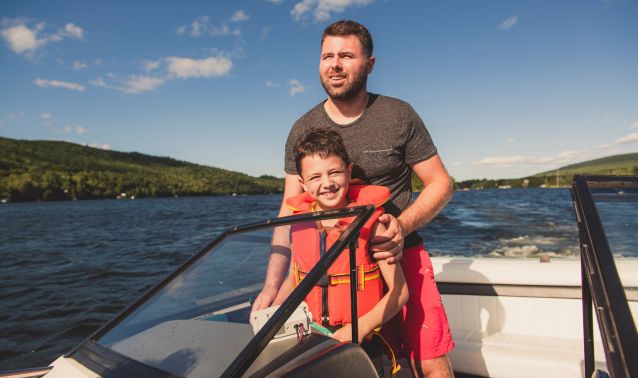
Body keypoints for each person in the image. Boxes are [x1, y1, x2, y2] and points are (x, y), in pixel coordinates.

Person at [254, 20, 455, 377]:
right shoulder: (302, 128)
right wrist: (272, 286)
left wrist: (401, 227)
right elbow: (289, 209)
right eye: (327, 56)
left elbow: (441, 183)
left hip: (394, 249)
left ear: (370, 64)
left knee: (431, 357)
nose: (334, 64)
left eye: (346, 55)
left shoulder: (399, 115)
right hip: (330, 260)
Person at [276, 128, 408, 374]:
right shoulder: (299, 224)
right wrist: (274, 313)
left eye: (334, 172)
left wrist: (357, 330)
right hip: (313, 340)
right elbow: (295, 279)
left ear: (349, 171)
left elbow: (401, 292)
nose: (327, 183)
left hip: (361, 343)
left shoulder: (373, 224)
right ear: (303, 183)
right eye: (315, 177)